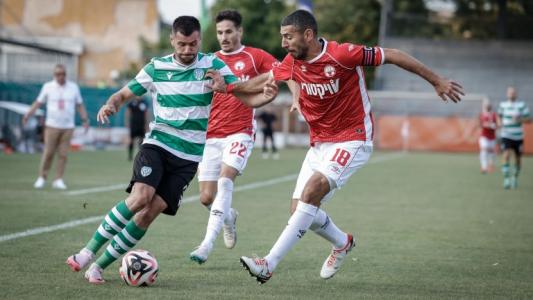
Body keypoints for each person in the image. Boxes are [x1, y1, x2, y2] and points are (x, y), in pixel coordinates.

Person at [211, 10, 464, 284]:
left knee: (311, 192)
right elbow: (261, 80)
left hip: (353, 137)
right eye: (282, 37)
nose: (284, 43)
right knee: (300, 211)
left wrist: (436, 80)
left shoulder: (343, 55)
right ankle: (342, 243)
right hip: (319, 142)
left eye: (288, 37)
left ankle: (268, 264)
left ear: (307, 34)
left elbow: (391, 54)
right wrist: (228, 88)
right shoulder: (291, 63)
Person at [64, 16, 278, 284]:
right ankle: (86, 253)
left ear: (200, 40)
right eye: (182, 44)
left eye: (193, 44)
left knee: (150, 212)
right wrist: (111, 105)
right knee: (141, 197)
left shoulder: (213, 65)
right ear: (172, 41)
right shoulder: (157, 67)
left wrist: (265, 97)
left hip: (189, 157)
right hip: (159, 143)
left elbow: (243, 95)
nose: (188, 50)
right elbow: (122, 94)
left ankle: (98, 267)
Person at [189, 9, 296, 264]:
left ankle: (206, 244)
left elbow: (286, 71)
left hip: (240, 132)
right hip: (210, 136)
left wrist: (297, 99)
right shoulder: (209, 61)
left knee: (226, 181)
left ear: (239, 31)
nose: (223, 37)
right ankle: (229, 218)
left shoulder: (254, 56)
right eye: (219, 32)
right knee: (205, 197)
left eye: (228, 31)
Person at [23, 64, 89, 190]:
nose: (61, 76)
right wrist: (28, 114)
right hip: (52, 125)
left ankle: (58, 179)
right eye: (58, 74)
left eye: (63, 74)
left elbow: (80, 105)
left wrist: (85, 119)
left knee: (63, 155)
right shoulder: (48, 87)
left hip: (68, 126)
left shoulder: (73, 87)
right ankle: (42, 177)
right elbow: (38, 102)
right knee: (48, 153)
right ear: (54, 75)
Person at [497, 86, 531, 189]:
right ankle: (506, 179)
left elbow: (529, 120)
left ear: (516, 94)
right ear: (507, 94)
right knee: (506, 155)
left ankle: (515, 177)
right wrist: (499, 123)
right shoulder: (503, 105)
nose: (511, 94)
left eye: (513, 92)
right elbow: (499, 116)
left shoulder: (522, 105)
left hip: (518, 136)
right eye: (510, 92)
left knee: (518, 159)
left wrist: (520, 119)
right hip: (506, 134)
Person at [125, 97, 149, 161]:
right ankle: (130, 156)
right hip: (133, 125)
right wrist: (127, 123)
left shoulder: (144, 102)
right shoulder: (131, 103)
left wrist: (146, 125)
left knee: (141, 141)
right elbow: (128, 113)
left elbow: (146, 114)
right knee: (131, 140)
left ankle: (140, 156)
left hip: (142, 125)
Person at [478, 100, 498, 174]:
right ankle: (484, 167)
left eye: (488, 104)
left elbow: (498, 124)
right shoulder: (482, 114)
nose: (487, 106)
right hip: (484, 136)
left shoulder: (494, 115)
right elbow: (481, 124)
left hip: (492, 137)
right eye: (486, 105)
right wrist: (488, 125)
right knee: (484, 149)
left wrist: (495, 125)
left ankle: (491, 165)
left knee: (492, 152)